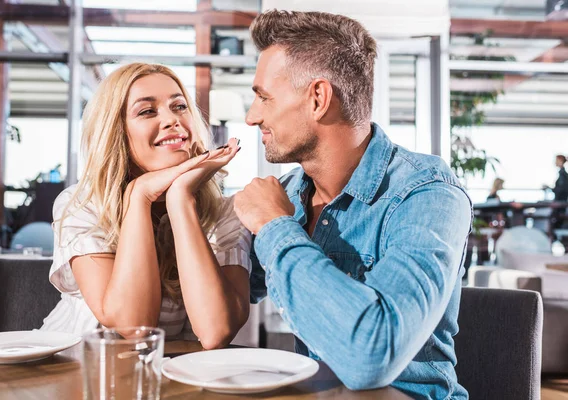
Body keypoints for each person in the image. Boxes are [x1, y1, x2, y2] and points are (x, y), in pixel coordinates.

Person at [233, 10, 472, 400]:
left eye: (263, 97)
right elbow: (216, 303)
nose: (251, 116)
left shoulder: (428, 194)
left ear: (318, 98)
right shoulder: (289, 194)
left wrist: (277, 227)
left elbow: (371, 357)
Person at [41, 63, 251, 349]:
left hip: (172, 379)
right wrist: (138, 197)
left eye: (179, 106)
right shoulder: (83, 205)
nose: (172, 120)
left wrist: (180, 200)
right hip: (77, 370)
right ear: (117, 134)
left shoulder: (226, 213)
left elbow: (216, 332)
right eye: (147, 111)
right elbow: (134, 326)